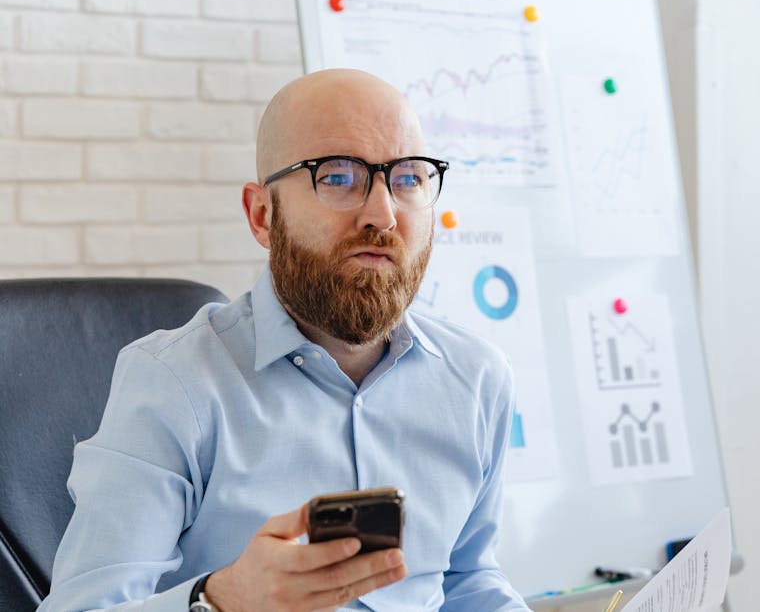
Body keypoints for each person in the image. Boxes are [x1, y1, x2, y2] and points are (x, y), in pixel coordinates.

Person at [39, 69, 530, 612]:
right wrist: (221, 601)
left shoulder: (478, 378)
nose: (383, 213)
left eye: (408, 178)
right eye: (338, 177)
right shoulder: (173, 384)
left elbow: (466, 581)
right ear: (262, 215)